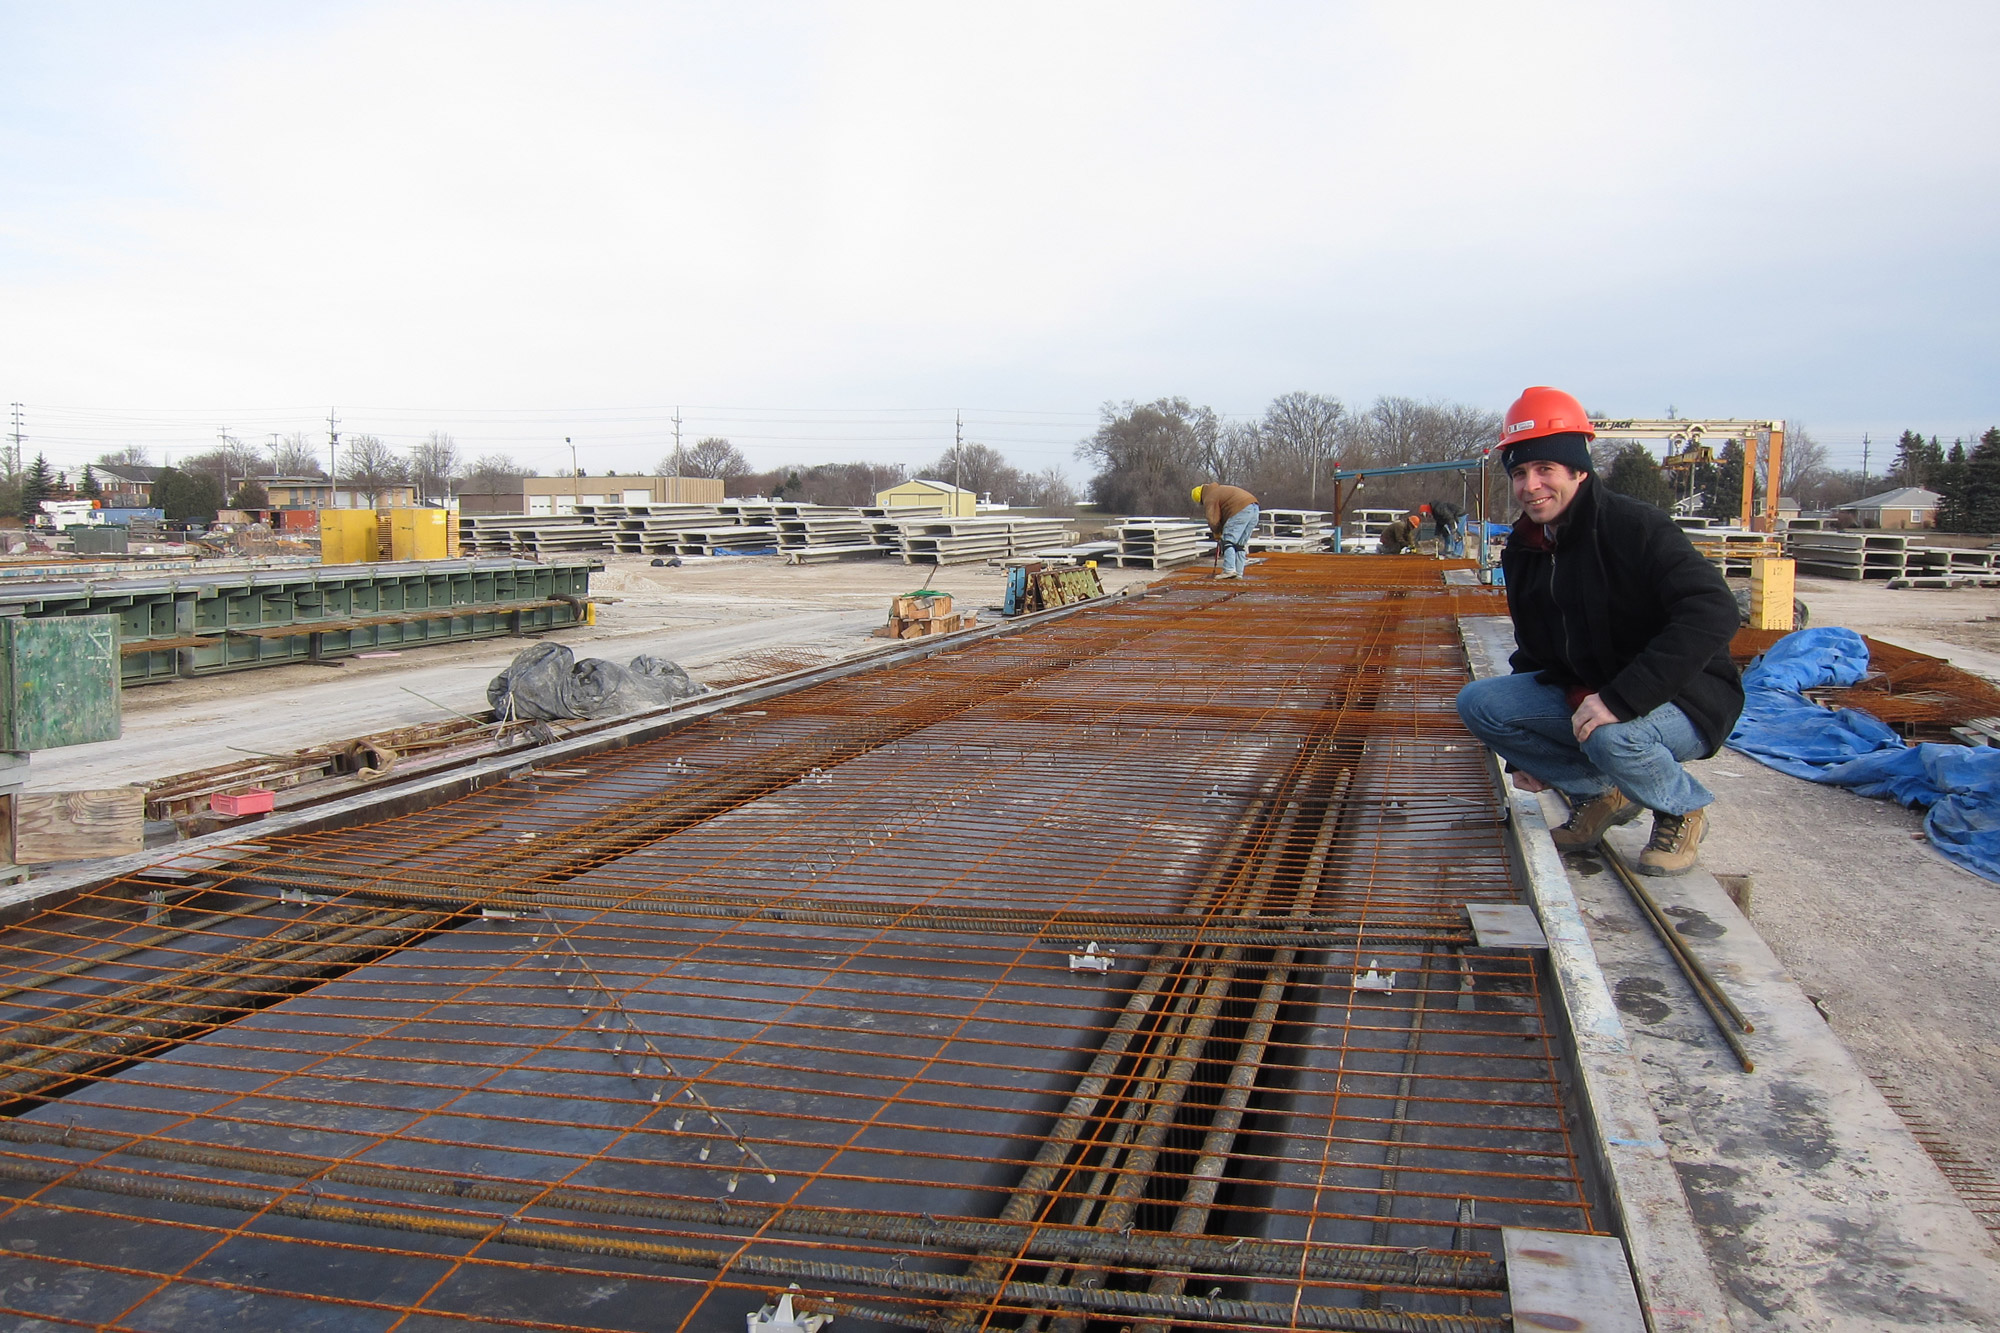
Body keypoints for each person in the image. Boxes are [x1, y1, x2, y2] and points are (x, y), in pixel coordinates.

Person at [1453, 386, 1743, 876]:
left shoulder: (1634, 528)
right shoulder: (1525, 547)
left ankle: (1681, 807)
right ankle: (1600, 793)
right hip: (1597, 691)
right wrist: (1526, 753)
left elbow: (1714, 610)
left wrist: (1620, 699)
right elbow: (1535, 649)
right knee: (1480, 703)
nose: (1531, 485)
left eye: (1546, 469)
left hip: (1685, 698)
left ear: (1578, 470)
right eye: (1520, 473)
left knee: (1611, 736)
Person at [1193, 483, 1259, 579]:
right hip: (1254, 508)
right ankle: (1239, 573)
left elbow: (1213, 519)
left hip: (1241, 509)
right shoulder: (1219, 490)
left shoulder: (1210, 497)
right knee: (1239, 544)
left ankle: (1228, 570)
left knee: (1228, 541)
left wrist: (1216, 533)